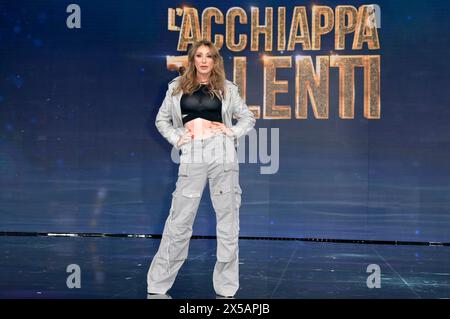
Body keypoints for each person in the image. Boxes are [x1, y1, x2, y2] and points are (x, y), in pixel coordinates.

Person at [147, 39, 255, 298]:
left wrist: (231, 131)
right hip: (193, 153)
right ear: (192, 59)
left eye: (209, 56)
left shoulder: (227, 88)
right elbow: (161, 119)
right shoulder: (177, 87)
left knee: (228, 221)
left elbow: (248, 117)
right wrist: (177, 137)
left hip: (222, 153)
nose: (204, 60)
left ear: (215, 60)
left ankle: (226, 288)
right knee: (180, 221)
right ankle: (158, 284)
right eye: (199, 55)